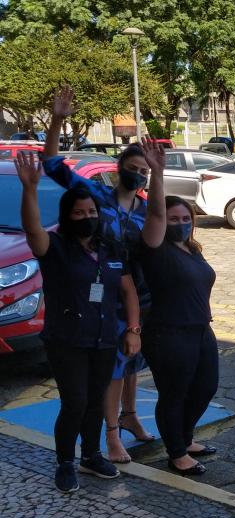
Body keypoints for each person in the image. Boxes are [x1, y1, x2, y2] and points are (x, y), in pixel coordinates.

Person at [42, 87, 155, 464]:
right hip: (101, 295)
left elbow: (157, 236)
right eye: (133, 168)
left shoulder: (144, 209)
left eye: (144, 171)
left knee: (132, 362)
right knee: (114, 368)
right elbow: (52, 164)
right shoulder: (96, 195)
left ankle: (130, 416)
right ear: (119, 167)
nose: (138, 175)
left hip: (134, 292)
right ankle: (110, 434)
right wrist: (57, 120)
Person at [16, 151, 141, 492]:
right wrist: (29, 189)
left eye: (92, 212)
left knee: (97, 399)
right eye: (79, 213)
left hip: (104, 338)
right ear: (67, 216)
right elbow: (32, 229)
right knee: (75, 402)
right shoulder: (55, 246)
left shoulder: (109, 249)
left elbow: (128, 290)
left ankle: (91, 455)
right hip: (67, 339)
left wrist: (133, 329)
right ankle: (65, 462)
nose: (87, 217)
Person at [140, 185, 219, 477]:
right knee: (174, 394)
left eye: (186, 219)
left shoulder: (192, 248)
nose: (181, 224)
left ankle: (185, 439)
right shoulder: (155, 250)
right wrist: (157, 173)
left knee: (206, 388)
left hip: (200, 328)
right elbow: (154, 214)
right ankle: (176, 453)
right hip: (168, 332)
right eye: (173, 219)